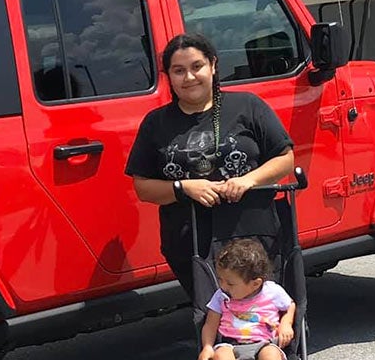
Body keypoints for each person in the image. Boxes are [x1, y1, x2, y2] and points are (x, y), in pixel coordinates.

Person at [125, 33, 295, 298]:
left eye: (197, 66)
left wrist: (247, 180)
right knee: (212, 314)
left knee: (263, 311)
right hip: (191, 242)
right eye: (178, 70)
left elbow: (285, 159)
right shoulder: (155, 123)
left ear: (213, 65)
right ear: (168, 76)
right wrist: (184, 188)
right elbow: (143, 187)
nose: (189, 77)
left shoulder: (248, 106)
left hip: (252, 236)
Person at [195, 237, 296, 360]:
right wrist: (207, 347)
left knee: (272, 356)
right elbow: (210, 324)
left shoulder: (272, 291)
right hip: (231, 345)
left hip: (263, 344)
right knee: (221, 358)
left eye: (230, 283)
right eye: (221, 279)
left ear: (255, 283)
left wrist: (286, 323)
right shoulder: (221, 296)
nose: (223, 286)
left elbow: (291, 306)